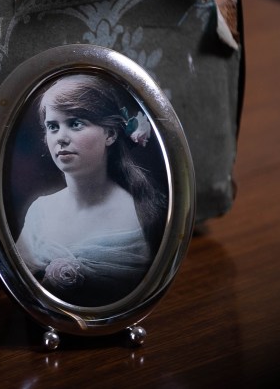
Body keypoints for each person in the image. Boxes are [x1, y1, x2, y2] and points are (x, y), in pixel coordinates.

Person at [13, 72, 166, 307]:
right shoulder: (40, 211)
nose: (61, 138)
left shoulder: (140, 212)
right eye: (52, 127)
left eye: (75, 124)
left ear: (110, 133)